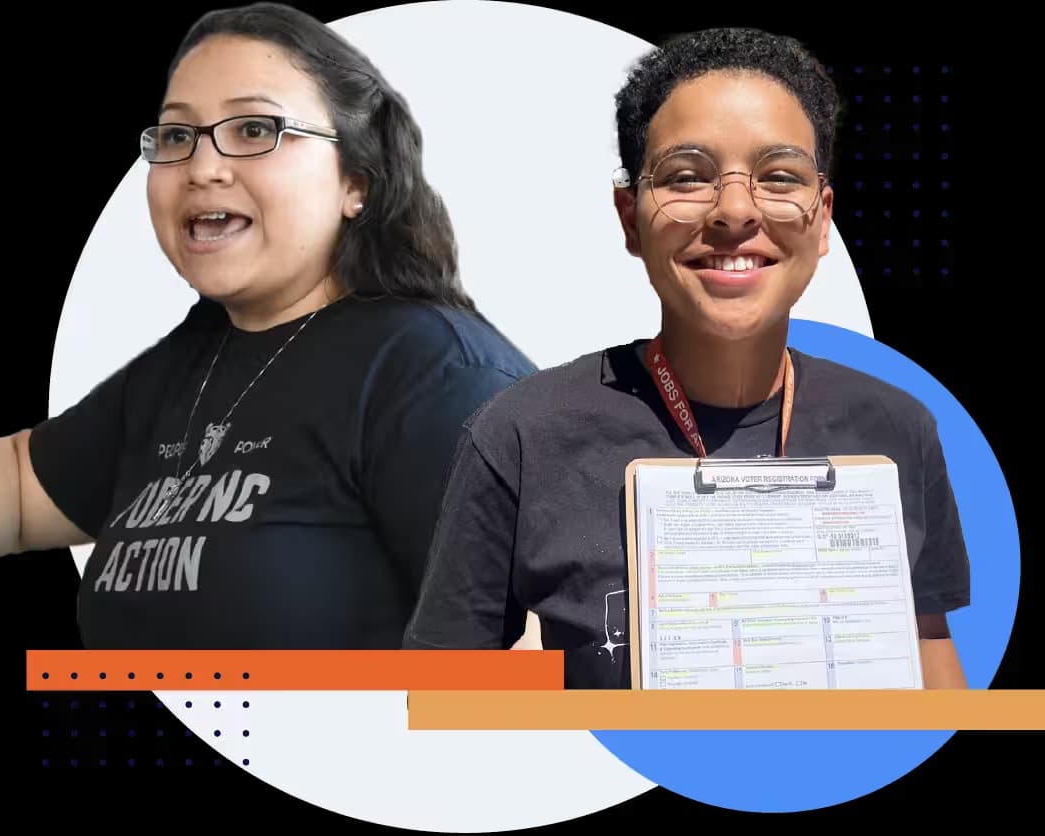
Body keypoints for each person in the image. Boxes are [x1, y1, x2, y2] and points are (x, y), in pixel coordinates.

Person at [0, 2, 535, 674]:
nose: (202, 167)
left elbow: (532, 668)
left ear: (356, 181)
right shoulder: (193, 358)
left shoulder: (433, 373)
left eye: (255, 129)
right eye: (176, 136)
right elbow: (24, 489)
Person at [402, 27, 971, 689]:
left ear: (820, 221)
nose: (733, 210)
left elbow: (928, 649)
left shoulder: (897, 426)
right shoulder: (522, 433)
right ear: (629, 218)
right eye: (686, 177)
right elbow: (440, 697)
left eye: (778, 176)